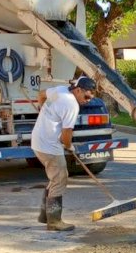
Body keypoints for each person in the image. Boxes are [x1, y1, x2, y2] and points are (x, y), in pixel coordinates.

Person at [32, 76, 96, 231]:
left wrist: (43, 111)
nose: (87, 100)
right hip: (49, 146)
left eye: (91, 98)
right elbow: (66, 134)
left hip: (38, 141)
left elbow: (40, 94)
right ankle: (54, 222)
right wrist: (69, 146)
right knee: (60, 178)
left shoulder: (59, 90)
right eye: (86, 96)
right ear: (78, 90)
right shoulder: (71, 105)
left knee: (54, 178)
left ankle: (44, 216)